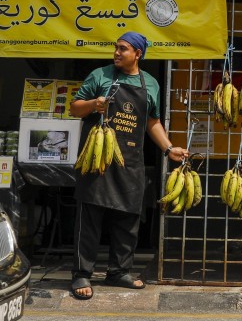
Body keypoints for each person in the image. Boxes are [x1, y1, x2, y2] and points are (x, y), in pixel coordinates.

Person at [68, 31, 188, 301]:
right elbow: (74, 108)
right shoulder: (99, 75)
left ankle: (118, 271)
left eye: (123, 48)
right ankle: (81, 273)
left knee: (127, 219)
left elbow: (152, 122)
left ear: (138, 54)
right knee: (90, 220)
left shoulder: (151, 84)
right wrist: (93, 104)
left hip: (131, 159)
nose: (117, 52)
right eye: (116, 47)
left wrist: (169, 149)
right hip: (96, 159)